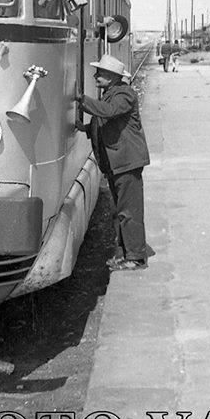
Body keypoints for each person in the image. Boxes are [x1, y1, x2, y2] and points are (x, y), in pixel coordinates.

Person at [76, 54, 151, 271]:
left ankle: (135, 258)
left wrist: (81, 100)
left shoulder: (124, 94)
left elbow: (108, 112)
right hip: (117, 162)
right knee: (121, 210)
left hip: (127, 161)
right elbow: (105, 121)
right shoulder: (111, 94)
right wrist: (86, 128)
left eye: (99, 73)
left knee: (129, 211)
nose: (95, 76)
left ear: (112, 76)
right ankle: (126, 253)